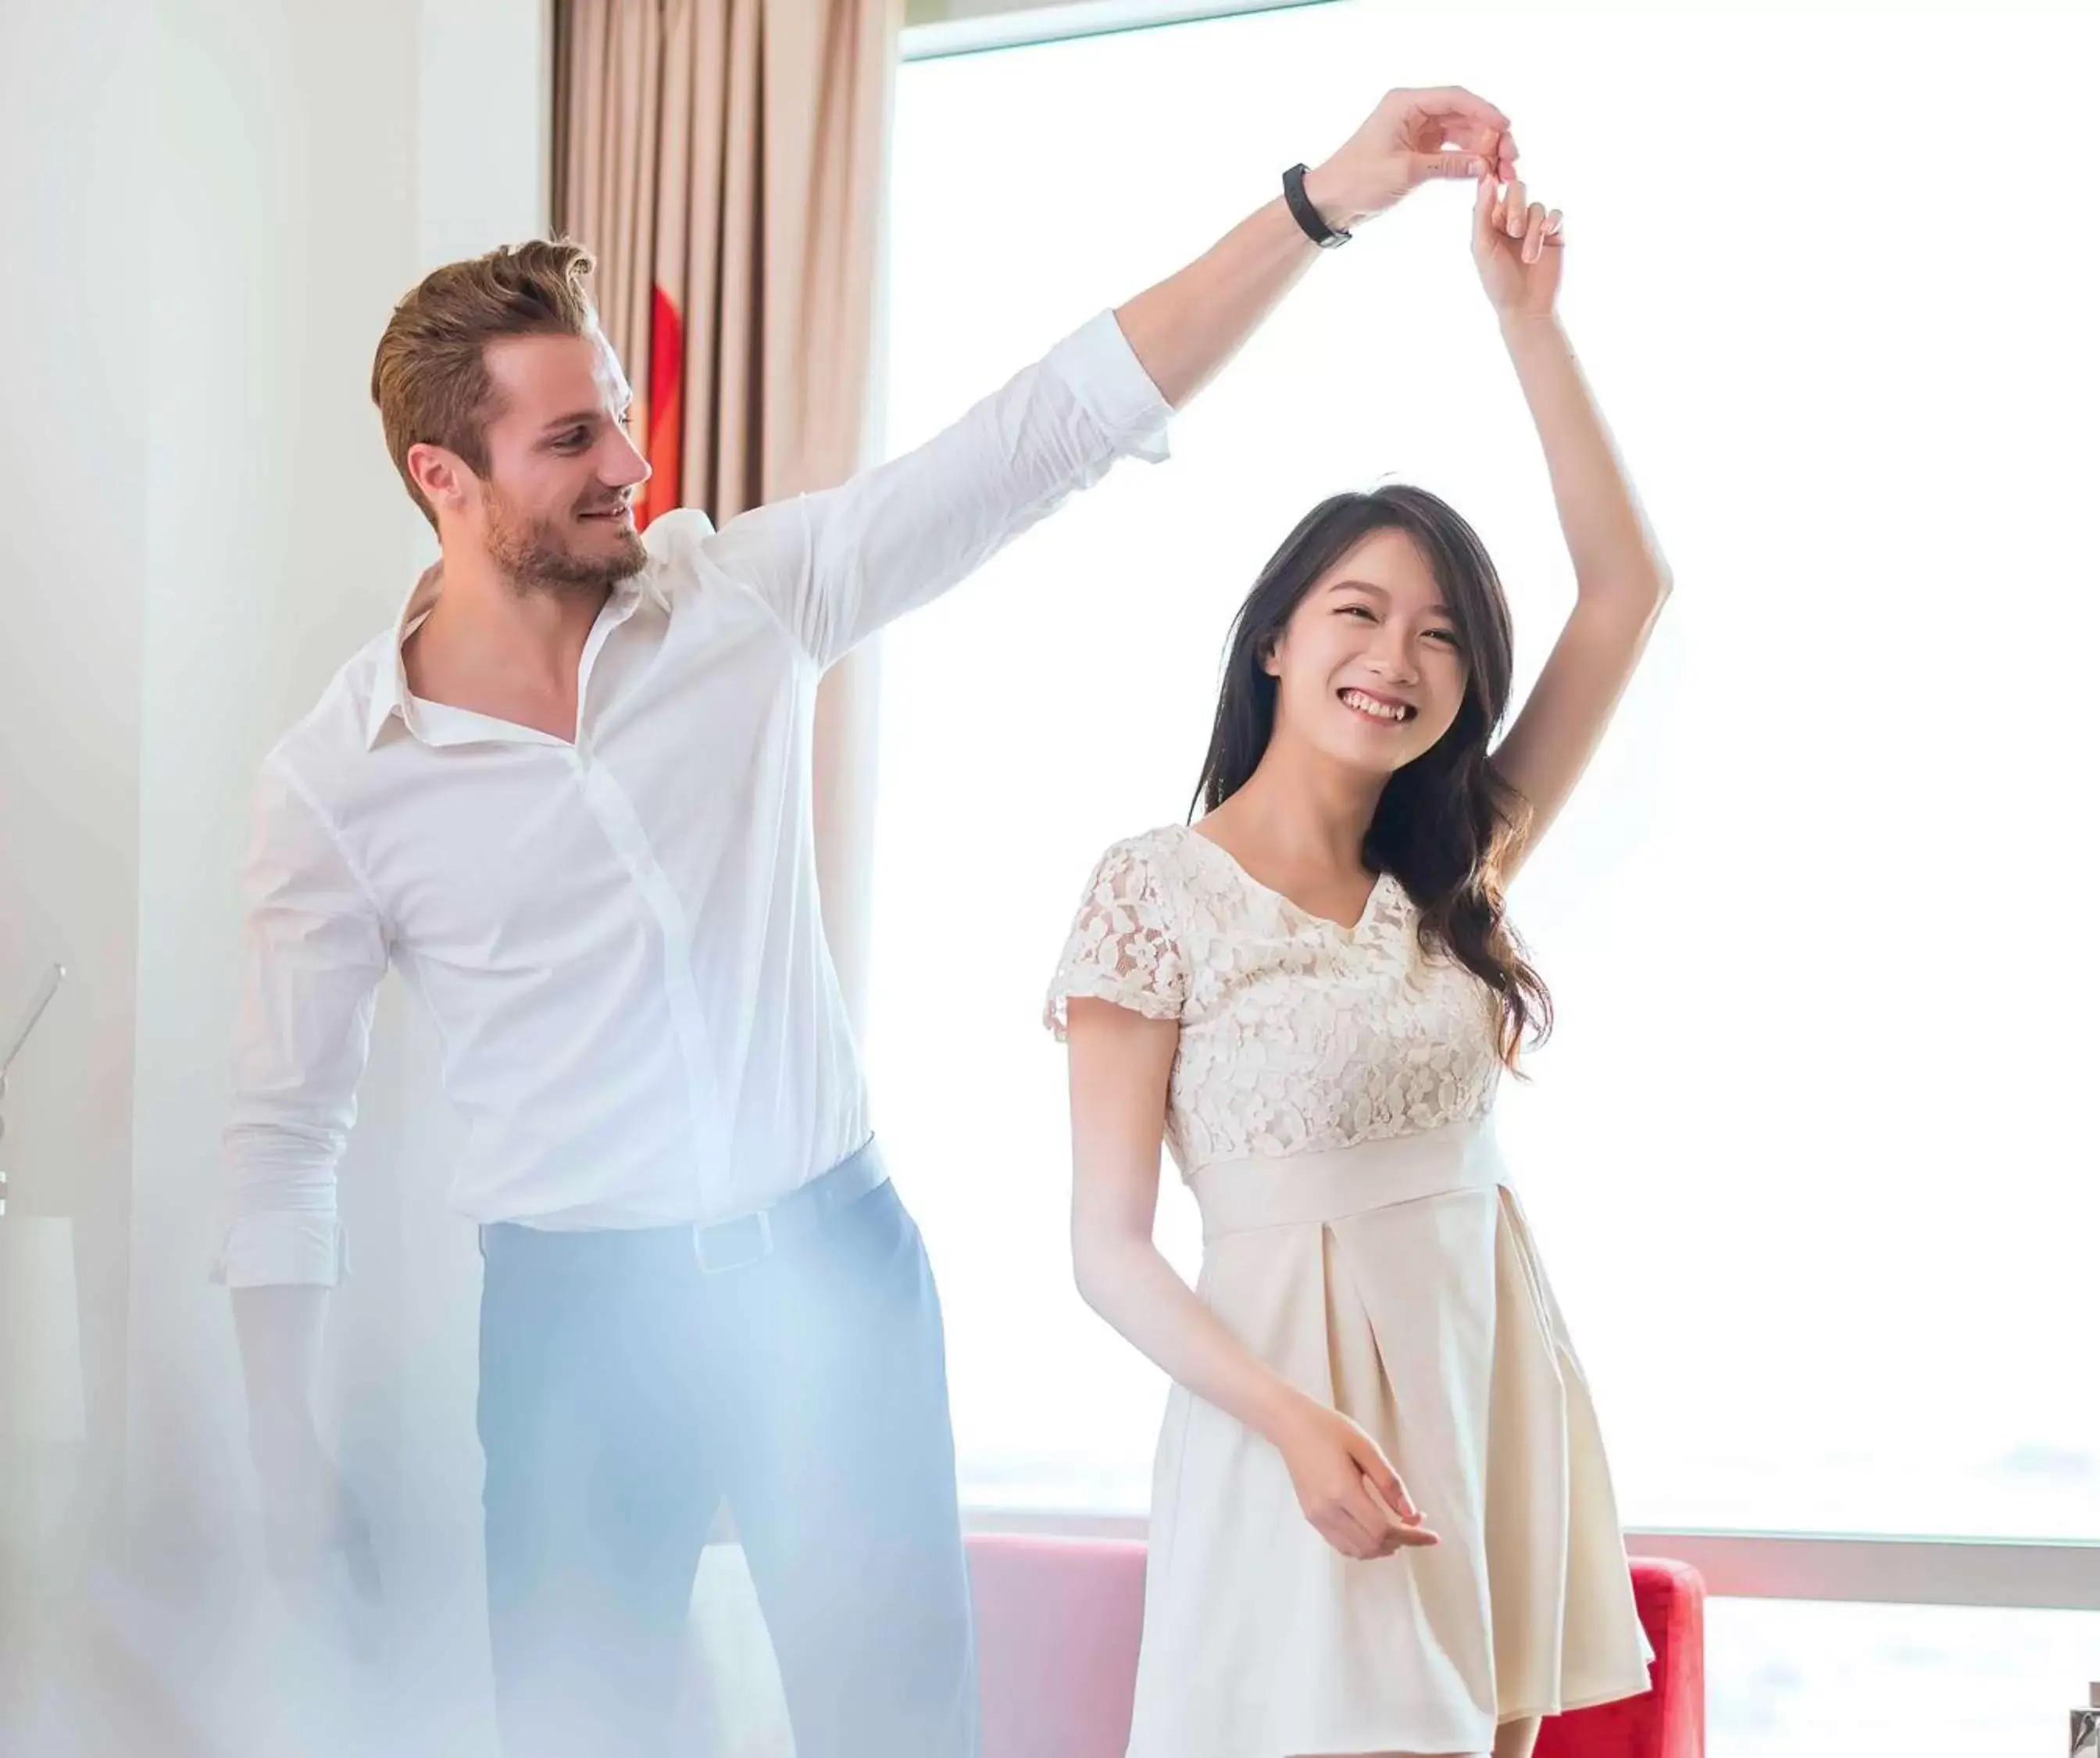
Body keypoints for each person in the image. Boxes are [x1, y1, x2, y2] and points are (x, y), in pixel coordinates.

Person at [217, 87, 1521, 1758]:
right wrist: (280, 1470)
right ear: (441, 478)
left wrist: (1324, 200)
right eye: (571, 443)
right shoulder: (338, 785)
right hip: (573, 1329)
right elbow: (279, 1143)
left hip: (831, 1270)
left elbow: (1042, 430)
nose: (632, 463)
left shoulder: (741, 602)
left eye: (620, 414)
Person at [1047, 167, 1671, 1758]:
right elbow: (1109, 1251)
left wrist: (1528, 323)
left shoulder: (1459, 867)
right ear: (1276, 638)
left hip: (1485, 1385)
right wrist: (1293, 1428)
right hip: (1286, 1429)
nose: (1396, 660)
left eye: (1443, 635)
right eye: (1359, 612)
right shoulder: (1152, 892)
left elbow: (1629, 591)